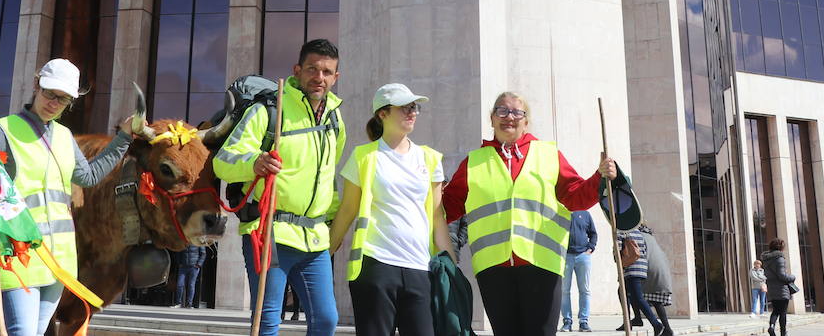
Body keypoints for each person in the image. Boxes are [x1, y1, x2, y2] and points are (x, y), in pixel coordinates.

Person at [0, 58, 135, 336]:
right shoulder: (2, 131)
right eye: (50, 94)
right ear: (37, 85)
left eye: (63, 99)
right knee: (22, 332)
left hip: (58, 256)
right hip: (18, 249)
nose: (54, 103)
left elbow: (89, 177)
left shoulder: (64, 136)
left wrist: (123, 139)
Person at [442, 91, 619, 336]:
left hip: (542, 265)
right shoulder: (473, 162)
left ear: (526, 121)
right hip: (493, 269)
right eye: (502, 111)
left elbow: (575, 196)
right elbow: (446, 208)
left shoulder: (548, 154)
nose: (509, 117)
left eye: (517, 112)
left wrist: (600, 177)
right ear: (492, 119)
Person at [214, 38, 345, 336]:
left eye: (327, 72)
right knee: (267, 321)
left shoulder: (336, 120)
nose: (319, 77)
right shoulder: (268, 111)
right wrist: (254, 162)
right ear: (297, 70)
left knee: (326, 320)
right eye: (312, 69)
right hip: (270, 231)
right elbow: (222, 161)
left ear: (335, 78)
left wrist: (334, 217)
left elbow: (327, 178)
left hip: (314, 240)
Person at [331, 83, 455, 336]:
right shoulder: (364, 156)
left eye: (414, 106)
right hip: (375, 267)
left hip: (420, 267)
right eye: (404, 107)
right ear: (382, 113)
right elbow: (347, 211)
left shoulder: (430, 158)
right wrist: (325, 253)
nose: (412, 112)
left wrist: (450, 266)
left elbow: (436, 217)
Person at [617, 226, 663, 336]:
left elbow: (618, 250)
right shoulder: (638, 232)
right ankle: (628, 322)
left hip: (631, 268)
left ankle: (656, 324)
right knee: (622, 292)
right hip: (641, 267)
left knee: (638, 297)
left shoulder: (622, 231)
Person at [561, 210, 598, 332]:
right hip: (566, 256)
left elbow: (593, 233)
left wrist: (590, 248)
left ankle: (584, 322)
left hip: (583, 256)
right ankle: (567, 321)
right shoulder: (561, 211)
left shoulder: (585, 214)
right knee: (564, 290)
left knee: (585, 290)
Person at [638, 223, 673, 336]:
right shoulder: (649, 236)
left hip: (650, 269)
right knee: (656, 300)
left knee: (631, 293)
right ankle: (667, 329)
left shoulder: (638, 235)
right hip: (661, 269)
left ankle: (638, 319)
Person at [762, 237, 796, 336]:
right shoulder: (779, 259)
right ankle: (783, 333)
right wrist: (792, 277)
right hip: (781, 289)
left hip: (772, 288)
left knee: (775, 311)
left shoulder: (766, 259)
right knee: (783, 312)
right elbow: (782, 275)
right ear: (781, 247)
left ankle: (771, 326)